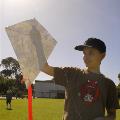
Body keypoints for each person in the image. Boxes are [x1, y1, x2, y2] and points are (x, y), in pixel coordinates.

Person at [25, 38, 119, 120]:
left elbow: (112, 115)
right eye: (84, 53)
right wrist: (37, 43)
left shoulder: (109, 84)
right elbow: (45, 68)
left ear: (103, 56)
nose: (85, 57)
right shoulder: (71, 74)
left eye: (91, 53)